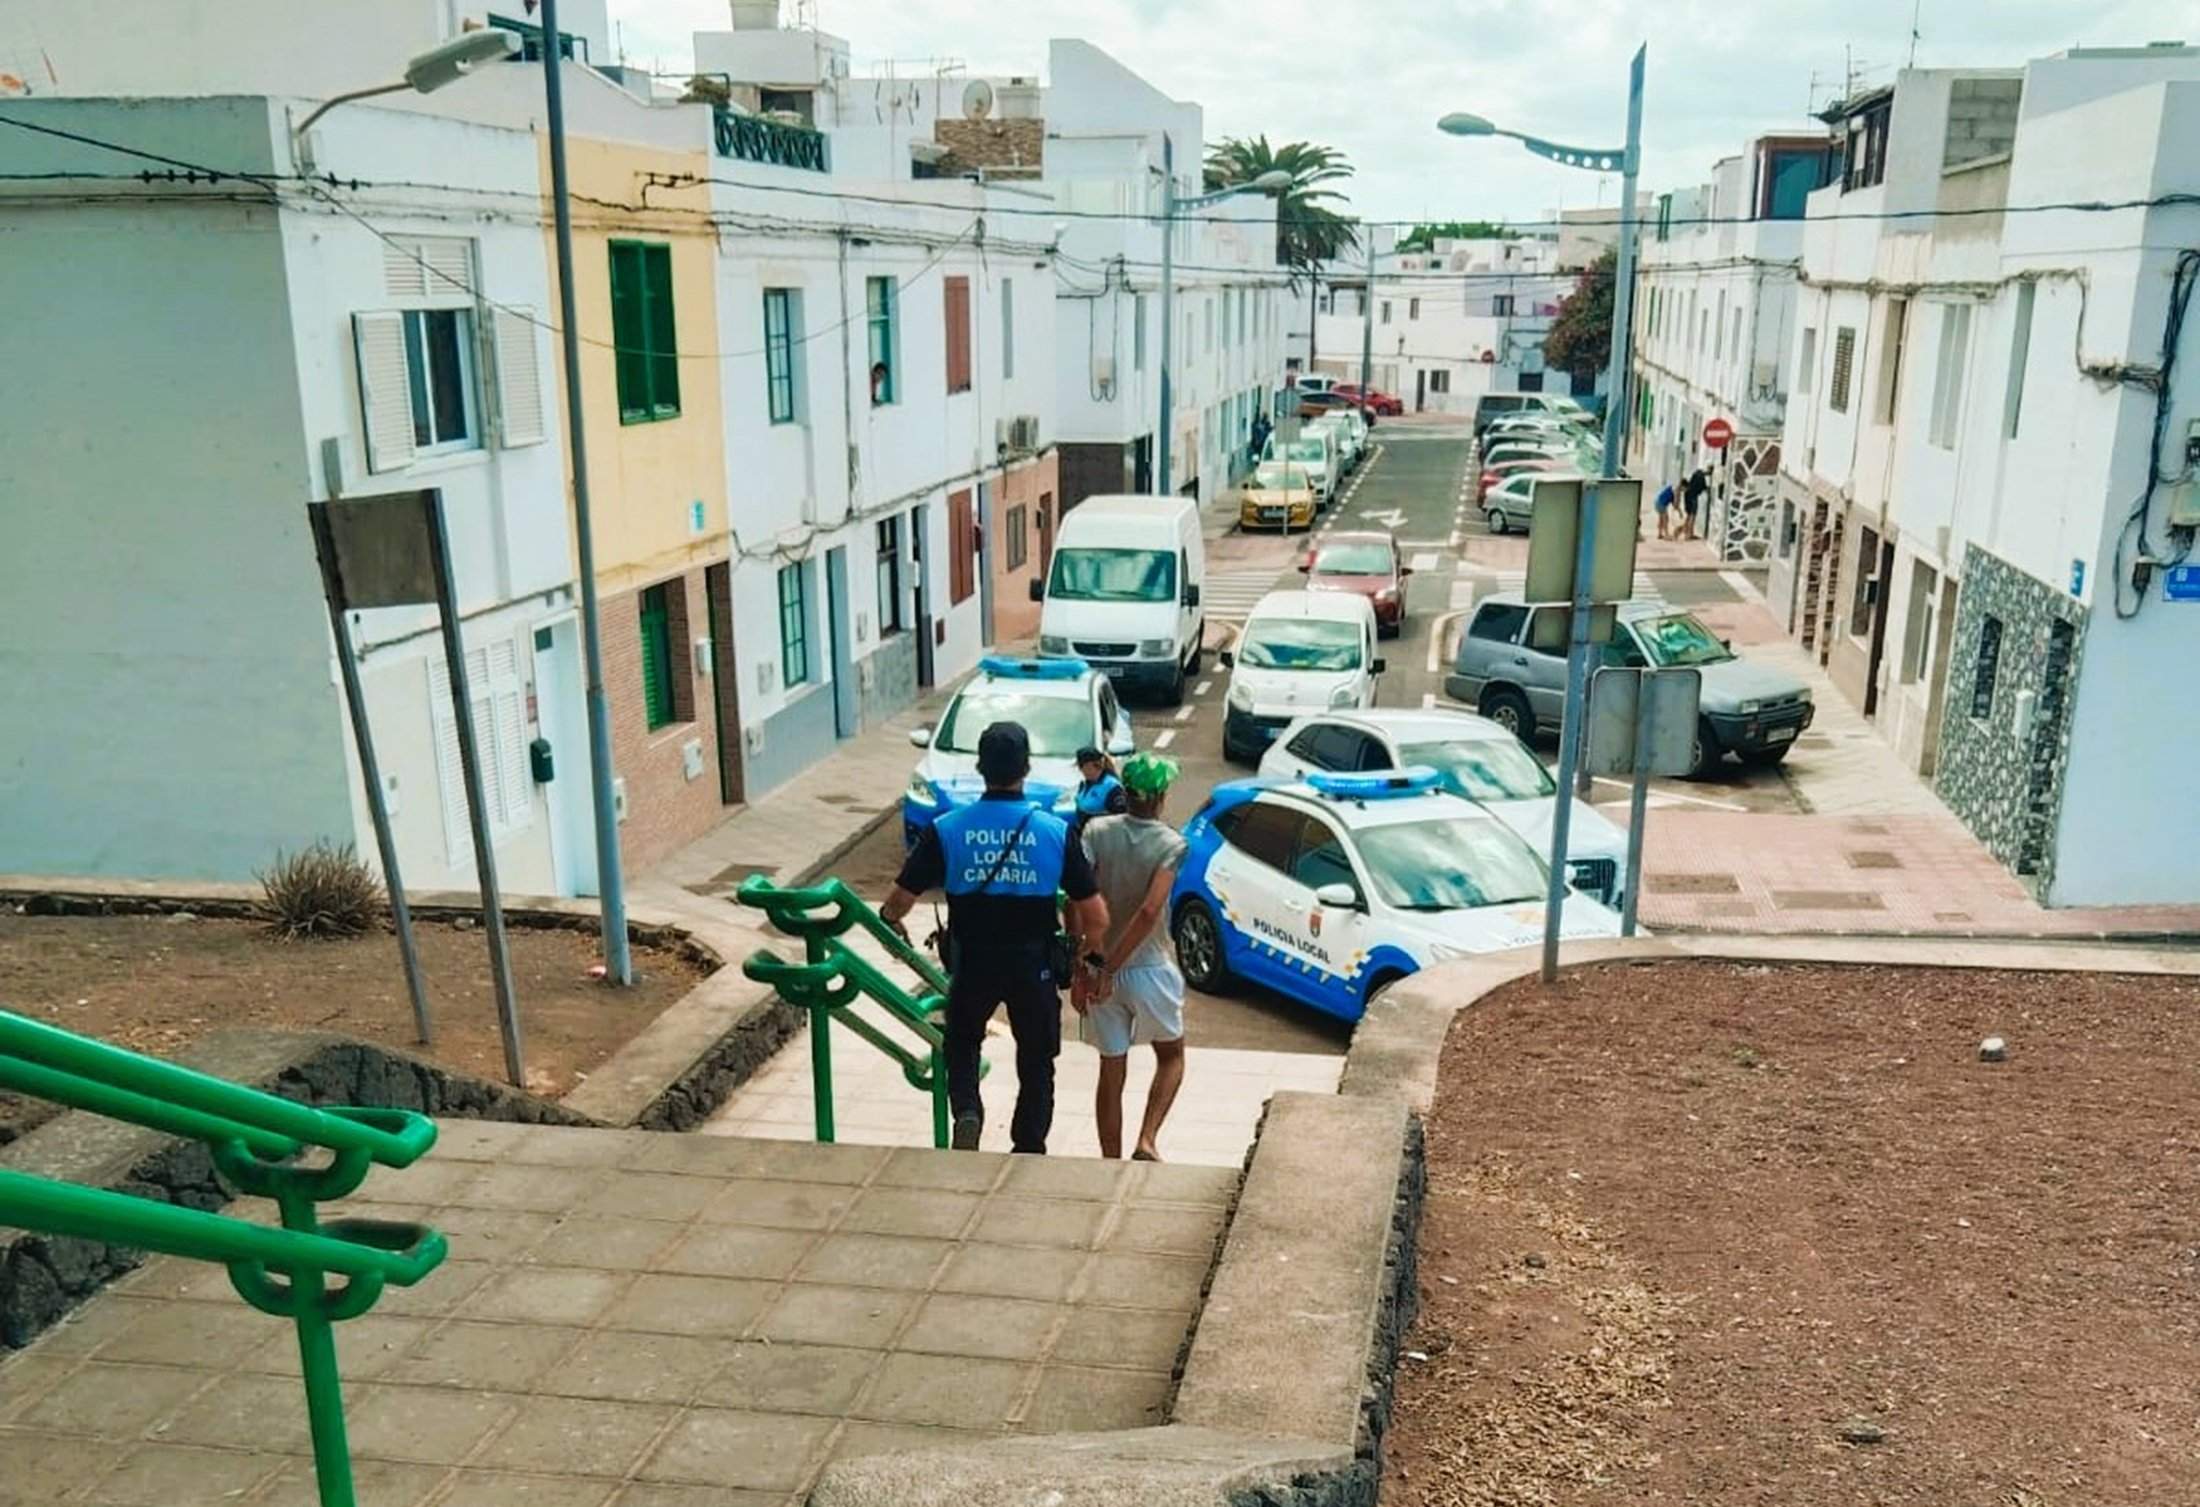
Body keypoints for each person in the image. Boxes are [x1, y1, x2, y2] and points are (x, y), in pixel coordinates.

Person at [881, 722, 1106, 1154]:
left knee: (962, 1042)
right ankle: (1028, 1144)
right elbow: (1095, 914)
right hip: (1034, 963)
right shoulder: (1055, 832)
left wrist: (890, 922)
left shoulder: (947, 828)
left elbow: (899, 899)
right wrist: (1089, 962)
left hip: (973, 961)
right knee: (1037, 1060)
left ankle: (967, 1111)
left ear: (981, 768)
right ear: (1025, 768)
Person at [1074, 752, 1189, 1161]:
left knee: (1111, 1067)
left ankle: (1111, 1159)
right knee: (1172, 1055)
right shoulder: (1172, 844)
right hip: (1149, 967)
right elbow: (1149, 911)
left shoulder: (1095, 831)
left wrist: (1085, 966)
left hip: (1097, 963)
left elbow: (1076, 899)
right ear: (1160, 797)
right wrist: (1111, 967)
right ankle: (1147, 1138)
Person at [1071, 746, 1127, 834]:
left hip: (1103, 838)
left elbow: (1120, 818)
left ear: (1092, 764)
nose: (1081, 770)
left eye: (1082, 766)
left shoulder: (1112, 787)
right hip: (1086, 835)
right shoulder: (1085, 784)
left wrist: (1092, 818)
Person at [1682, 467, 1709, 542]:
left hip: (1689, 498)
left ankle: (1687, 532)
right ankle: (1689, 534)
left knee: (1689, 515)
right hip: (1693, 498)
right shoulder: (1700, 476)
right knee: (1692, 516)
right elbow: (1703, 487)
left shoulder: (1695, 476)